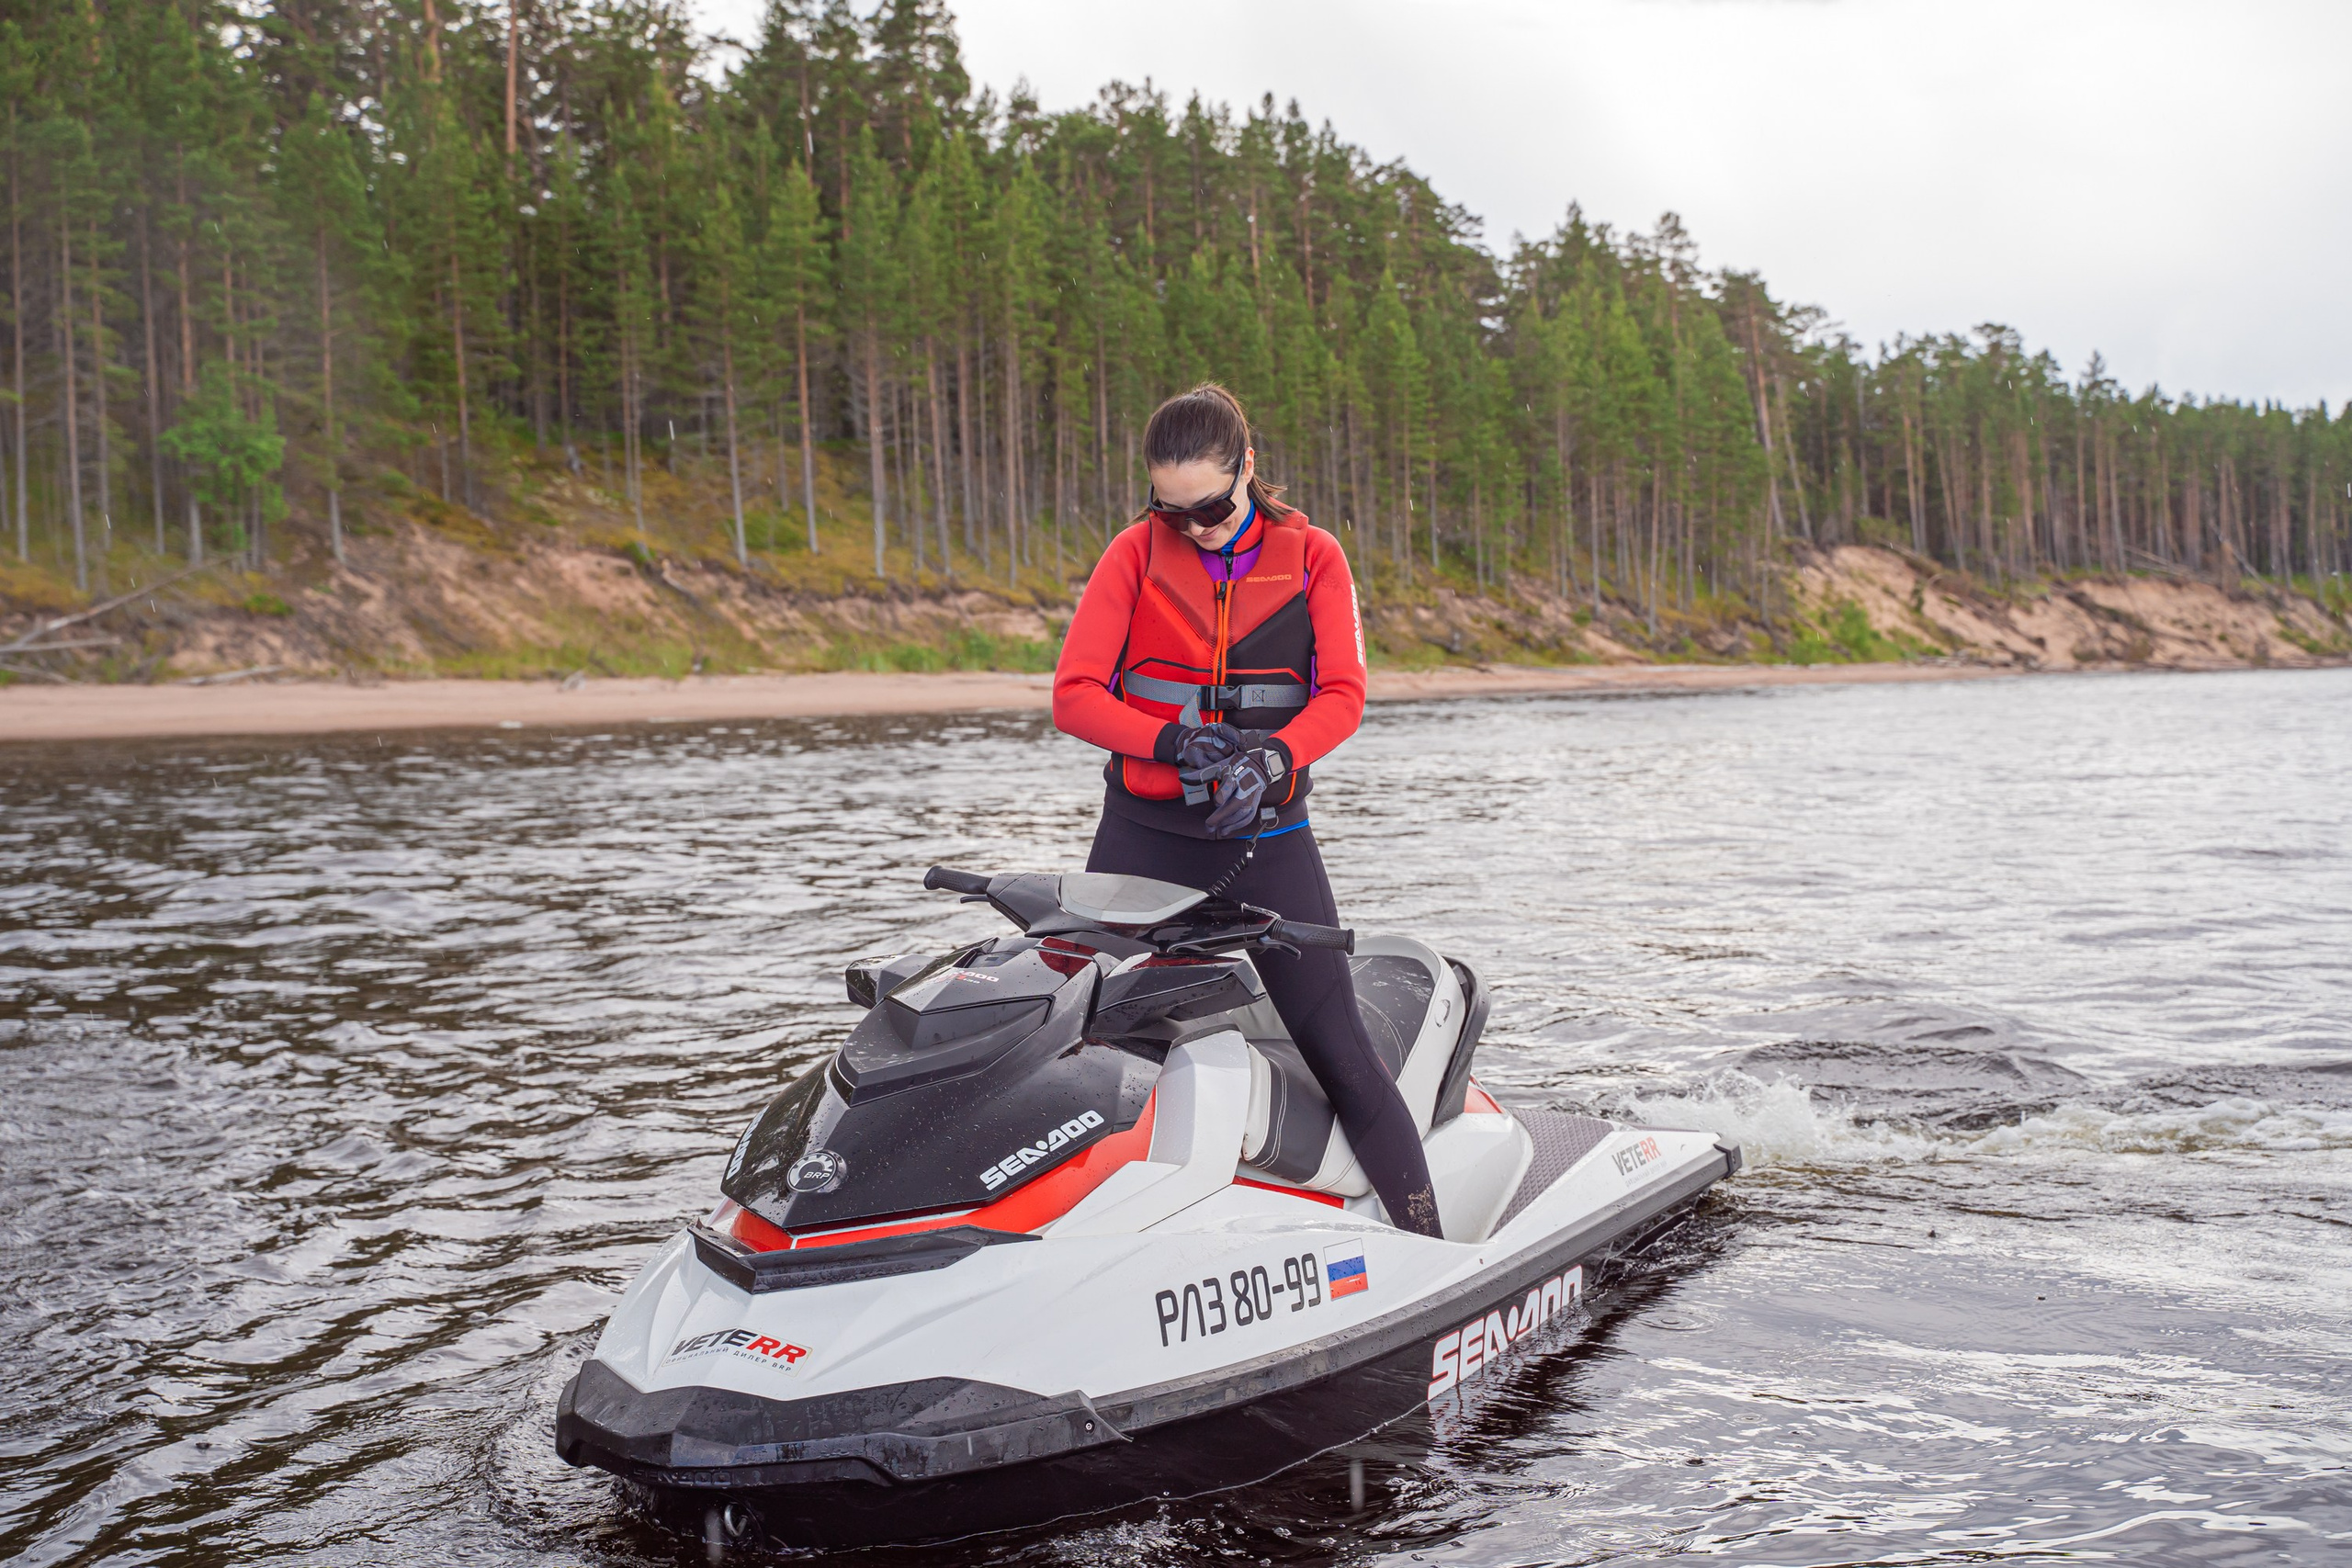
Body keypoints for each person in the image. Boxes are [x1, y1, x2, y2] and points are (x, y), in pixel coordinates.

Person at [1051, 383, 1442, 1239]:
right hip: (1142, 837)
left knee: (1341, 1054)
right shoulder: (1133, 553)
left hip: (1269, 840)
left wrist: (1272, 759)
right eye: (1171, 509)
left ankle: (1435, 1249)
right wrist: (1170, 741)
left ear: (1248, 468)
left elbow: (1343, 695)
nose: (1192, 527)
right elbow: (1074, 695)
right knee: (1071, 1041)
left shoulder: (1315, 557)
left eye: (1211, 508)